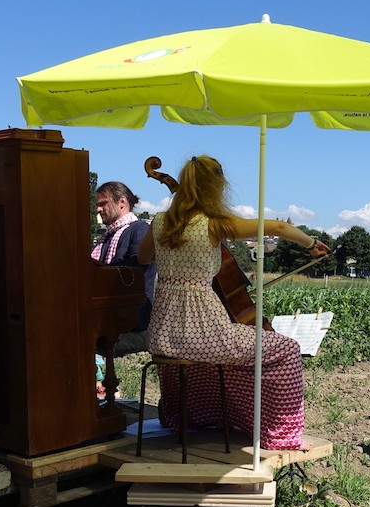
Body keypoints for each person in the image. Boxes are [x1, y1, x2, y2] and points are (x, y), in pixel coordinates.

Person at [136, 155, 330, 450]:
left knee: (214, 358)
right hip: (204, 336)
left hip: (163, 336)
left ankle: (196, 417)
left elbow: (142, 258)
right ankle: (278, 432)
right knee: (287, 349)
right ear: (216, 187)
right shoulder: (214, 225)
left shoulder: (160, 222)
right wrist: (311, 243)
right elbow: (276, 227)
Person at [94, 181, 157, 357]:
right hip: (110, 315)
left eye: (102, 203)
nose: (98, 209)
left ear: (122, 202)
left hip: (132, 319)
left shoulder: (140, 229)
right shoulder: (106, 237)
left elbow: (135, 271)